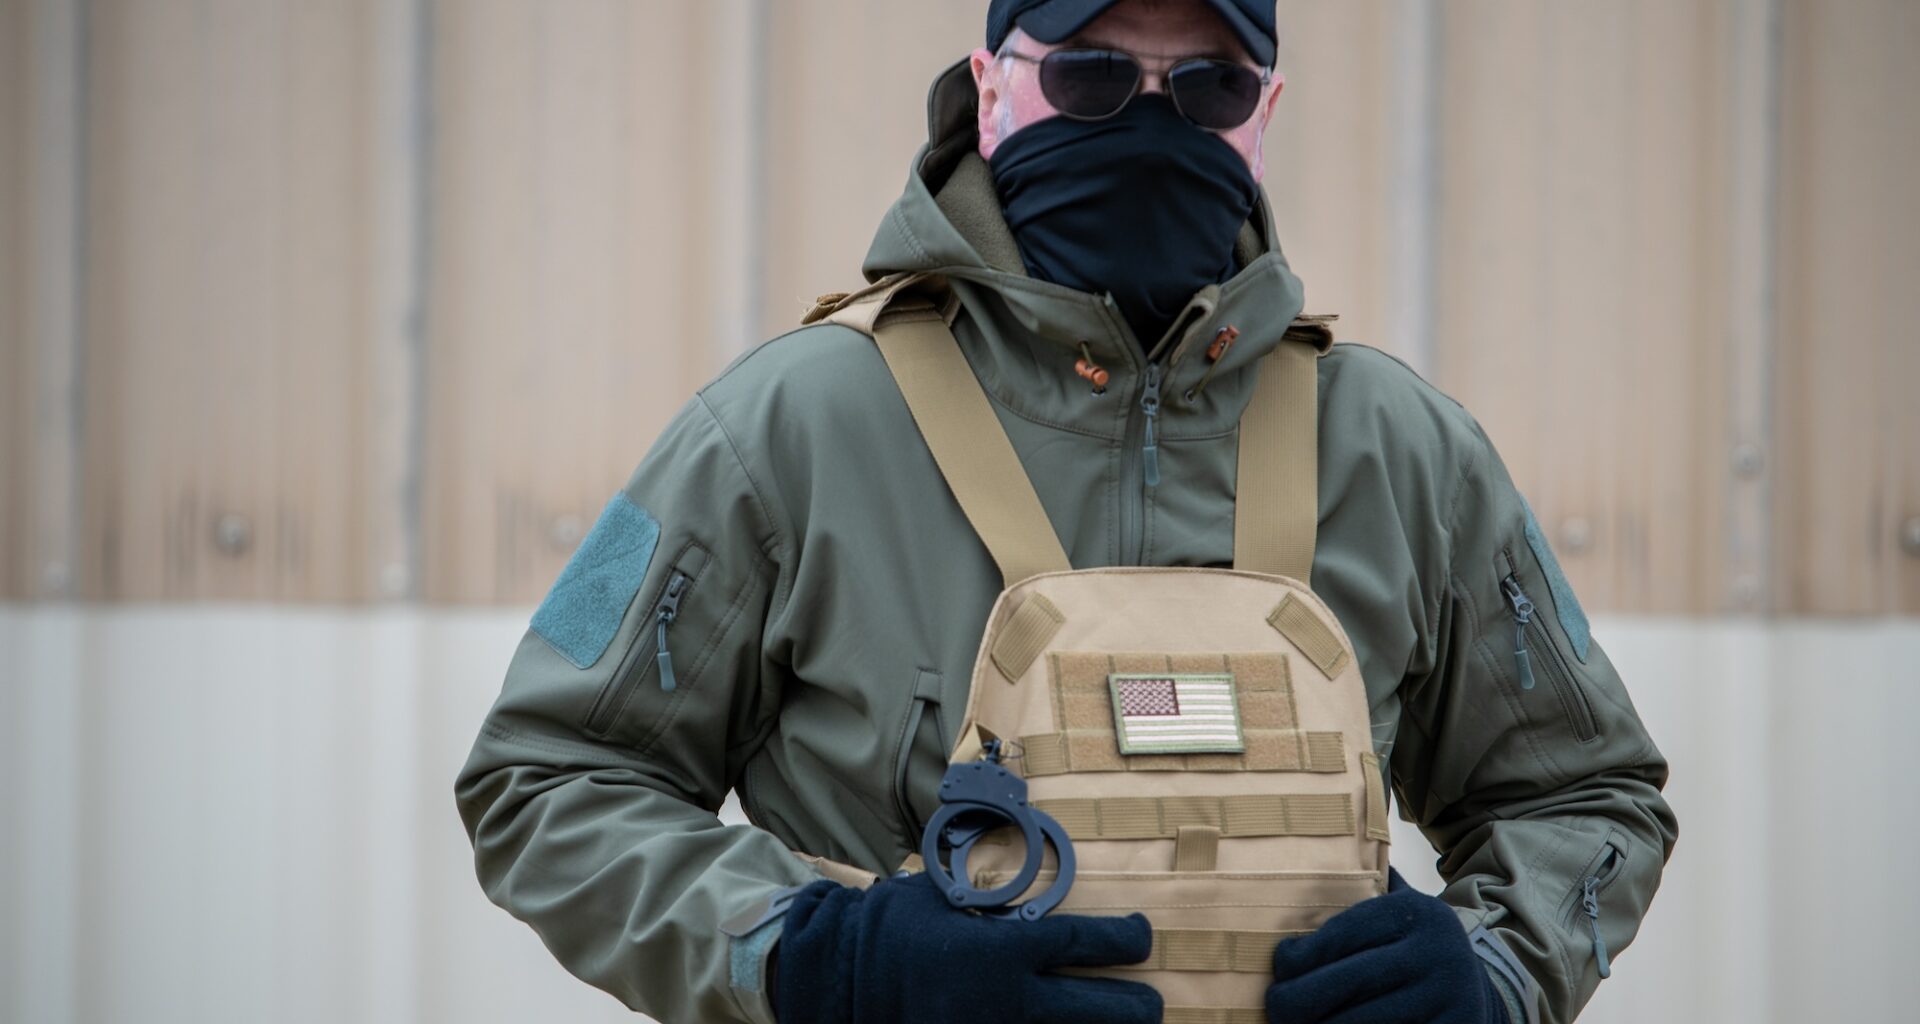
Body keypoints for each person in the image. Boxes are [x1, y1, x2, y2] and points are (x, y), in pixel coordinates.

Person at [454, 1, 1678, 1022]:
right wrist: (822, 958)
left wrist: (1489, 978)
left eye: (1207, 86)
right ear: (992, 89)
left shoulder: (1406, 451)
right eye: (1089, 74)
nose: (1149, 120)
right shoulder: (785, 424)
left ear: (1264, 113)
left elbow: (1586, 794)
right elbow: (546, 781)